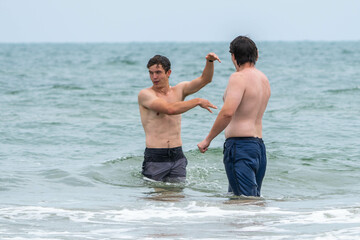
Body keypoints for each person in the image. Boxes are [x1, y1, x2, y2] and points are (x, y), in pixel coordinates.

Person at [197, 36, 271, 197]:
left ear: (233, 56)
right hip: (258, 148)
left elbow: (227, 112)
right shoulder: (263, 79)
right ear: (256, 54)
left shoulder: (238, 78)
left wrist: (207, 139)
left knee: (245, 201)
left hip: (240, 147)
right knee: (247, 200)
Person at [138, 53, 221, 182]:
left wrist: (209, 62)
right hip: (156, 155)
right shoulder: (145, 94)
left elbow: (205, 79)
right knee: (156, 199)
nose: (154, 77)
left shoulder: (179, 90)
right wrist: (197, 101)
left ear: (168, 72)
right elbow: (169, 109)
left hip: (177, 155)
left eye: (158, 72)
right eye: (151, 73)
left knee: (177, 198)